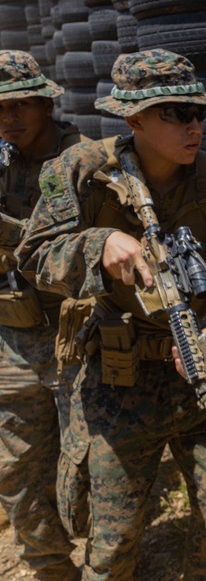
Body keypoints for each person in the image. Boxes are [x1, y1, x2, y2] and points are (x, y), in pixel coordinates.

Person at [16, 49, 206, 581]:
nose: (193, 125)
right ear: (133, 118)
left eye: (198, 112)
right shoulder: (82, 171)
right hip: (118, 379)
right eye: (175, 114)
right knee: (113, 542)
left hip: (200, 371)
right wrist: (98, 243)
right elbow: (34, 254)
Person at [0, 50, 87, 580]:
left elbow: (59, 243)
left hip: (78, 336)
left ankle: (110, 562)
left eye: (18, 106)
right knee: (18, 470)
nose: (8, 118)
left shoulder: (82, 159)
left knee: (92, 472)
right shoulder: (0, 158)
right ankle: (52, 569)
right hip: (14, 336)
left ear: (44, 102)